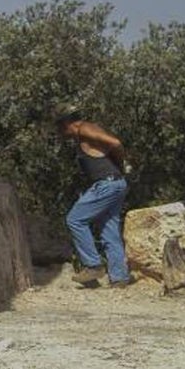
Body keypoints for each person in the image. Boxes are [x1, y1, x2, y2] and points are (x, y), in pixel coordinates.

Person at [54, 105, 132, 287]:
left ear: (67, 124)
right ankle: (119, 277)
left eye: (60, 128)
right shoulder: (88, 130)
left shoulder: (84, 129)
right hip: (116, 183)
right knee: (109, 229)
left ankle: (93, 265)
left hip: (107, 184)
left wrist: (121, 163)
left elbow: (115, 143)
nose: (61, 133)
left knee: (75, 220)